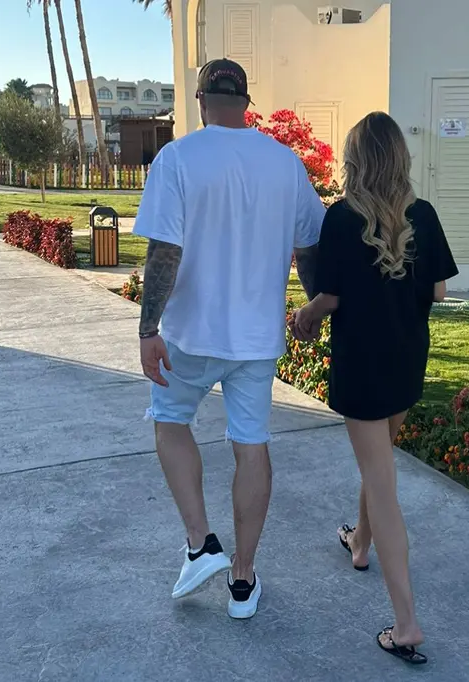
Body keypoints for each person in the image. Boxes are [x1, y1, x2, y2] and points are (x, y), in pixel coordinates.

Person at [133, 58, 325, 619]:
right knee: (251, 446)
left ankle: (201, 545)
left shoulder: (177, 158)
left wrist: (148, 328)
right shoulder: (285, 163)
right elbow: (310, 246)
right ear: (246, 103)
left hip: (190, 334)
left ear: (200, 102)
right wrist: (314, 308)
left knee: (171, 422)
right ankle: (243, 578)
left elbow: (164, 251)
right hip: (256, 339)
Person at [292, 112, 458, 664]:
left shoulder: (342, 218)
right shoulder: (423, 215)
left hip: (362, 366)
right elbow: (438, 291)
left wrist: (305, 316)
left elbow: (331, 297)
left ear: (356, 160)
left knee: (382, 485)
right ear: (400, 158)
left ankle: (406, 623)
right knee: (378, 462)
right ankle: (359, 543)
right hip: (406, 360)